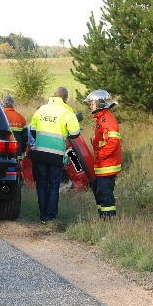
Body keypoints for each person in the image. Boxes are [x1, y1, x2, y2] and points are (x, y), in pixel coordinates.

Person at [28, 87, 81, 223]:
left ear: (53, 96)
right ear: (65, 98)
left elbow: (33, 131)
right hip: (56, 155)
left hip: (40, 153)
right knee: (53, 185)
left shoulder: (42, 109)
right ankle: (50, 217)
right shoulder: (67, 112)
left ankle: (42, 216)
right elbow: (75, 133)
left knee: (41, 184)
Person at [84, 89, 121, 219]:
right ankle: (103, 218)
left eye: (92, 103)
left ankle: (108, 220)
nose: (90, 105)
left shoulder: (107, 119)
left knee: (105, 194)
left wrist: (100, 155)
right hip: (102, 163)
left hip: (107, 164)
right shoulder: (101, 119)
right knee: (100, 192)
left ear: (100, 103)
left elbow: (113, 142)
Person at [1, 94, 27, 159]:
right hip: (17, 154)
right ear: (13, 104)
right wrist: (22, 150)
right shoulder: (21, 118)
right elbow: (25, 138)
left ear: (3, 103)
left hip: (1, 153)